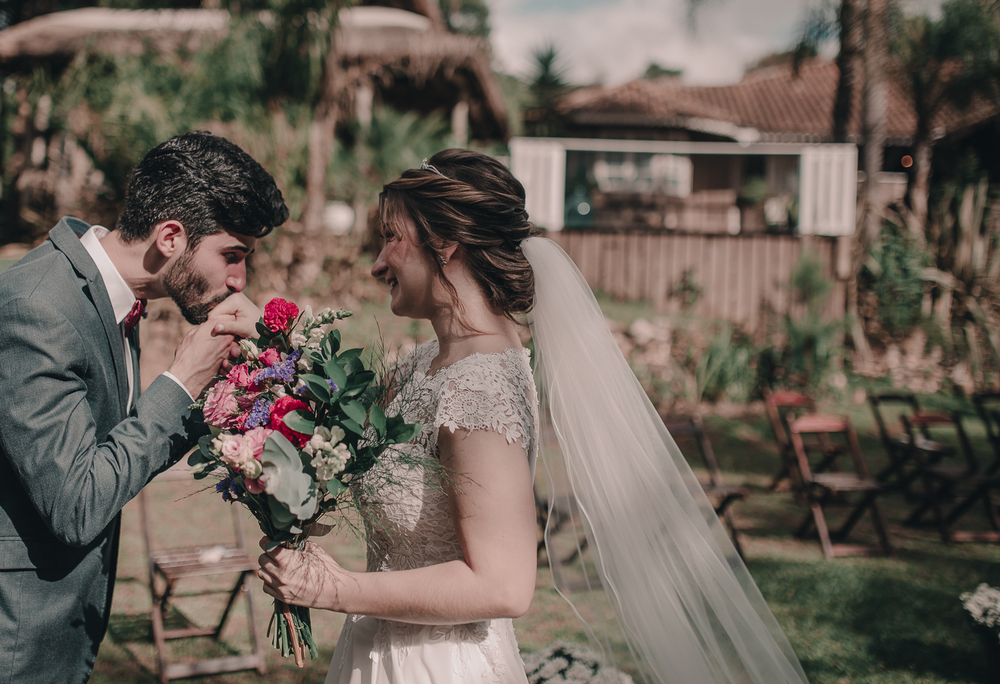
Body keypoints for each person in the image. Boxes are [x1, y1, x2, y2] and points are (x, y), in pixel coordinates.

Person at [256, 148, 811, 684]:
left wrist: (334, 589)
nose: (378, 264)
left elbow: (504, 586)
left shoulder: (481, 384)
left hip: (441, 667)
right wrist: (263, 364)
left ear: (445, 242)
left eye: (392, 239)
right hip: (376, 653)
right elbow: (326, 431)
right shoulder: (420, 364)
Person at [0, 131, 289, 683]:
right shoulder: (35, 311)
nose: (240, 280)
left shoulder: (110, 295)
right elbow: (78, 501)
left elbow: (107, 451)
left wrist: (217, 394)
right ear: (171, 236)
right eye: (232, 255)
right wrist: (180, 381)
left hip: (51, 632)